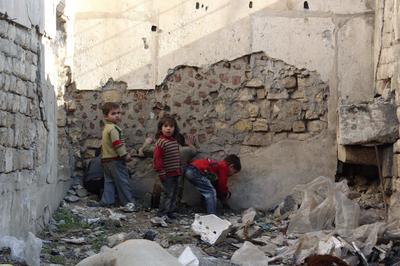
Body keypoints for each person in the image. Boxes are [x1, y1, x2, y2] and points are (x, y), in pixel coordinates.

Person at [99, 102, 136, 212]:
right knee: (122, 181)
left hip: (106, 160)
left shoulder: (106, 128)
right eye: (113, 113)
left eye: (119, 113)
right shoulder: (114, 129)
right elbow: (117, 144)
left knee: (109, 181)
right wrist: (125, 155)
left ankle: (106, 201)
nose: (117, 115)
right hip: (115, 160)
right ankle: (129, 203)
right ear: (106, 116)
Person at [153, 115, 182, 221]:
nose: (168, 128)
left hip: (175, 172)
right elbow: (157, 159)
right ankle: (162, 213)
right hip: (167, 174)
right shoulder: (161, 142)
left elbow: (176, 157)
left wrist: (178, 170)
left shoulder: (174, 141)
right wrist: (161, 172)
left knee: (174, 193)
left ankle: (170, 211)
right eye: (165, 126)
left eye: (171, 126)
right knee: (167, 194)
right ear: (161, 128)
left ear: (175, 129)